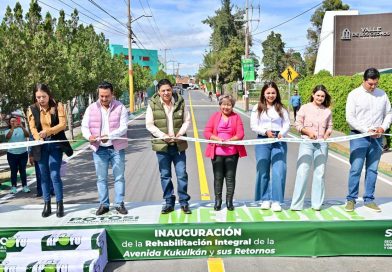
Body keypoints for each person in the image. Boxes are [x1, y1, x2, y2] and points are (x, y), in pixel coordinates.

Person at [345, 68, 392, 212]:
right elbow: (350, 118)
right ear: (364, 80)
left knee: (372, 169)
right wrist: (366, 130)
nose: (373, 87)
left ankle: (369, 199)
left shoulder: (382, 94)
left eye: (376, 84)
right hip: (359, 136)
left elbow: (389, 113)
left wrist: (383, 128)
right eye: (370, 84)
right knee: (356, 168)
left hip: (377, 138)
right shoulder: (354, 95)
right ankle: (351, 199)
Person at [81, 81, 128, 216]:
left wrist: (110, 136)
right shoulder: (91, 108)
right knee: (101, 178)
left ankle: (119, 203)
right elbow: (84, 127)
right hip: (99, 149)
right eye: (101, 96)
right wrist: (89, 136)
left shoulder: (120, 107)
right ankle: (104, 204)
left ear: (112, 94)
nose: (104, 99)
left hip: (116, 147)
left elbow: (124, 127)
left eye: (107, 96)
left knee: (119, 177)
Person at [146, 78, 191, 214]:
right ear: (158, 92)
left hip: (178, 146)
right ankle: (168, 202)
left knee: (182, 174)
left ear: (172, 90)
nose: (166, 93)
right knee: (165, 175)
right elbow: (149, 124)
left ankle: (184, 202)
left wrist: (180, 133)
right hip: (162, 146)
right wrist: (162, 135)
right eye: (163, 90)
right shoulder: (152, 104)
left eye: (168, 90)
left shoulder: (180, 102)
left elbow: (186, 120)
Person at [28, 83, 72, 218]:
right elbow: (32, 128)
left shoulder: (57, 105)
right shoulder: (31, 109)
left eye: (43, 96)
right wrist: (38, 138)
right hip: (40, 145)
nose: (41, 99)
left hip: (55, 145)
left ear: (49, 95)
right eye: (38, 97)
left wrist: (48, 132)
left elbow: (63, 125)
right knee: (43, 176)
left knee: (54, 175)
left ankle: (60, 204)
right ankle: (47, 204)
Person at [290, 85, 333, 211]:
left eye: (322, 96)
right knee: (302, 172)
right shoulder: (304, 108)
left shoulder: (327, 111)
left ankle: (317, 204)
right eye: (318, 95)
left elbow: (330, 126)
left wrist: (327, 134)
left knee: (320, 173)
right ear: (313, 94)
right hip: (307, 143)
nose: (320, 98)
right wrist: (308, 132)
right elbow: (297, 124)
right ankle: (297, 205)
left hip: (322, 144)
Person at [250, 81, 290, 212]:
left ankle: (276, 200)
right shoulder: (258, 107)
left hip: (279, 141)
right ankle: (265, 198)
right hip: (263, 140)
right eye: (268, 93)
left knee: (279, 170)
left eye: (273, 92)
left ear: (277, 93)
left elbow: (287, 124)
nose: (270, 95)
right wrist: (265, 132)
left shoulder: (282, 108)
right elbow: (254, 125)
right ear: (263, 93)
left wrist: (282, 133)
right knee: (263, 170)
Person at [204, 94, 247, 211]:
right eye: (224, 104)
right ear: (220, 105)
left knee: (230, 177)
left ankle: (229, 201)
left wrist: (229, 140)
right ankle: (218, 200)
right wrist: (217, 139)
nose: (226, 107)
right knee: (218, 177)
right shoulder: (214, 117)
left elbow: (240, 134)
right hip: (217, 153)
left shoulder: (236, 117)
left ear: (232, 106)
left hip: (232, 153)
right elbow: (207, 132)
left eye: (229, 105)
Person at [5, 116, 30, 194]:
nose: (13, 122)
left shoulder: (21, 129)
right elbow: (7, 137)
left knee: (23, 170)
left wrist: (22, 127)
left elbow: (27, 135)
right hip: (12, 154)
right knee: (13, 171)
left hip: (23, 153)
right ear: (9, 123)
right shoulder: (7, 131)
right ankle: (14, 187)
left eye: (15, 121)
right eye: (12, 121)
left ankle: (25, 186)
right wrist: (12, 128)